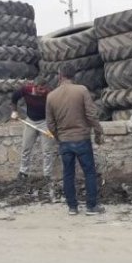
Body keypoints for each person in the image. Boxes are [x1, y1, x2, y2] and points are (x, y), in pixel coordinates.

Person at [46, 64, 105, 216]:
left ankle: (72, 207)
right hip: (82, 138)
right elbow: (91, 114)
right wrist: (99, 132)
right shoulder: (82, 90)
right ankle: (91, 207)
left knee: (68, 174)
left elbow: (50, 124)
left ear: (60, 76)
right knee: (89, 173)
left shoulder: (51, 96)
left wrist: (59, 137)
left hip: (64, 141)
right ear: (74, 76)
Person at [11, 76, 56, 181]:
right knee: (26, 148)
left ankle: (47, 175)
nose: (43, 91)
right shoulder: (26, 90)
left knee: (47, 150)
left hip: (45, 122)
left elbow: (56, 108)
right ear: (34, 87)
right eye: (41, 89)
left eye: (44, 88)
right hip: (30, 121)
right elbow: (14, 98)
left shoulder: (50, 94)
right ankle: (23, 172)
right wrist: (14, 111)